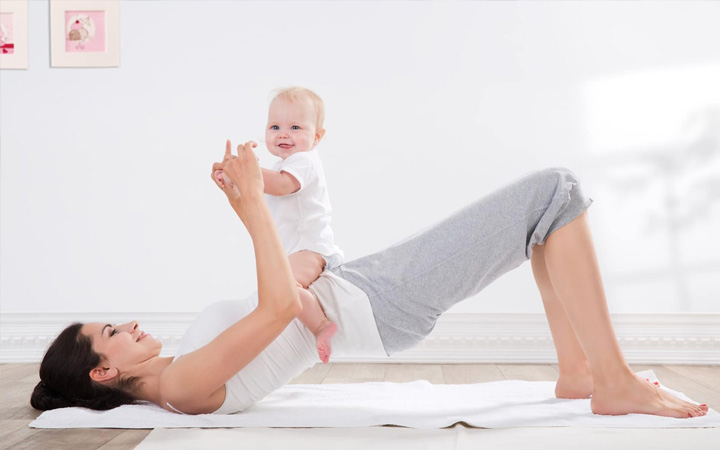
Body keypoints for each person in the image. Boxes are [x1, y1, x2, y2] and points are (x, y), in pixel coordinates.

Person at [31, 141, 709, 418]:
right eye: (113, 334)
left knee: (547, 215)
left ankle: (582, 375)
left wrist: (307, 263)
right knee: (554, 189)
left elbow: (289, 286)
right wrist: (249, 210)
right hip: (383, 304)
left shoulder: (184, 359)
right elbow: (275, 306)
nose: (130, 325)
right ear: (101, 373)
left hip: (362, 283)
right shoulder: (179, 387)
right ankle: (609, 382)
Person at [214, 87, 341, 363]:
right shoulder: (285, 164)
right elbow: (257, 196)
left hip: (311, 248)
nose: (283, 134)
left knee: (285, 287)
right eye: (275, 126)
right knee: (275, 289)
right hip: (293, 249)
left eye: (295, 127)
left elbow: (282, 185)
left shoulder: (304, 162)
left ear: (317, 137)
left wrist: (247, 171)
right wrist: (233, 179)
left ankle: (321, 326)